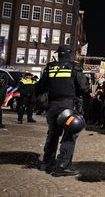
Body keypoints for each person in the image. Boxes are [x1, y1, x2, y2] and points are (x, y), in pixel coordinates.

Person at [36, 45, 89, 176]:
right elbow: (84, 88)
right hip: (68, 106)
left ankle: (47, 162)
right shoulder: (74, 68)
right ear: (70, 55)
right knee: (70, 134)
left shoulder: (50, 67)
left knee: (53, 134)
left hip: (52, 106)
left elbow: (40, 87)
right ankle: (63, 164)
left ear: (58, 54)